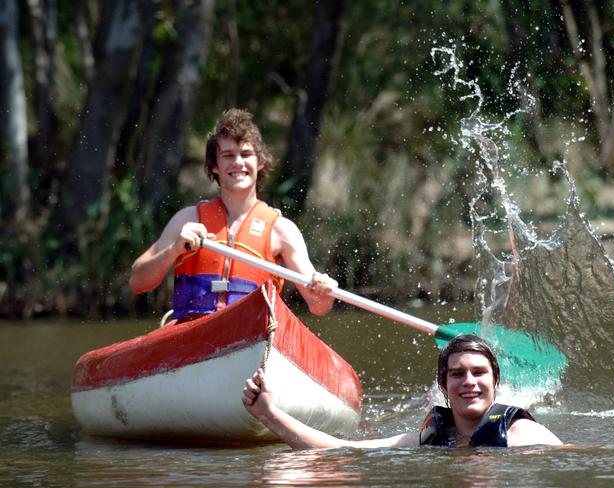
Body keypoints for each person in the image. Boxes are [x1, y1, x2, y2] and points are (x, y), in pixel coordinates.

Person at [129, 108, 337, 321]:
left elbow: (317, 306)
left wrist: (324, 291)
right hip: (193, 330)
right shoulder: (188, 220)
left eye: (246, 154)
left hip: (252, 332)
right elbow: (137, 281)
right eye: (228, 155)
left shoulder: (282, 230)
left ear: (260, 162)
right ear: (214, 166)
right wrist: (173, 251)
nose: (238, 162)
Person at [242, 334, 563, 448]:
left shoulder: (523, 434)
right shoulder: (430, 439)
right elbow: (337, 449)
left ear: (496, 383)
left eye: (479, 373)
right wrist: (268, 414)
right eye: (457, 374)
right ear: (443, 386)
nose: (469, 381)